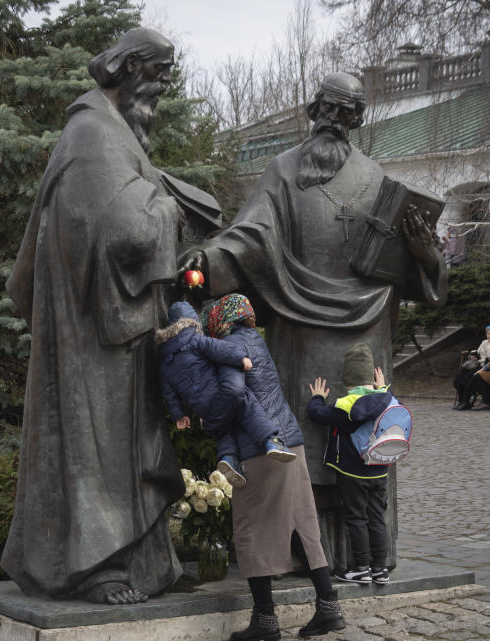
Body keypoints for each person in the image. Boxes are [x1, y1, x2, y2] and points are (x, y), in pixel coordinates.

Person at [181, 72, 447, 571]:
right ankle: (300, 552)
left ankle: (366, 554)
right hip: (298, 332)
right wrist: (206, 260)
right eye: (328, 110)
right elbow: (249, 237)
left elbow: (413, 272)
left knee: (361, 443)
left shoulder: (379, 181)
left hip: (367, 334)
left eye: (346, 114)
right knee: (298, 438)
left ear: (357, 120)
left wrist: (428, 256)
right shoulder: (282, 172)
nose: (335, 121)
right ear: (313, 111)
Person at [2, 28, 187, 605]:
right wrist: (173, 207)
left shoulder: (109, 133)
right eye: (157, 75)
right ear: (129, 68)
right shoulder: (92, 134)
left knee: (121, 452)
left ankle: (134, 561)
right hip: (95, 340)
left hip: (115, 332)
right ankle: (97, 566)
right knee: (98, 449)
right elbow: (123, 232)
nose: (161, 89)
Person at [204, 294, 345, 641]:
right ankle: (328, 604)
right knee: (303, 524)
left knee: (252, 528)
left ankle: (265, 620)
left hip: (260, 447)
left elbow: (234, 394)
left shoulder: (229, 347)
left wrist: (211, 420)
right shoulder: (257, 342)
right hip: (289, 441)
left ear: (220, 320)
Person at [156, 301, 294, 487]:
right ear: (192, 323)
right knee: (247, 406)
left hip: (201, 407)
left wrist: (179, 415)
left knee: (223, 429)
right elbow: (219, 350)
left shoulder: (166, 362)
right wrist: (240, 359)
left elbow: (168, 392)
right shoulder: (195, 340)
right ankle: (271, 441)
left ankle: (228, 459)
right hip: (218, 391)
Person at [306, 342, 394, 586]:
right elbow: (381, 400)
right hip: (380, 469)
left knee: (357, 519)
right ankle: (380, 569)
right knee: (377, 518)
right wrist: (382, 387)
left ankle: (362, 568)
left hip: (352, 473)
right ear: (372, 378)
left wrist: (316, 398)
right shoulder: (386, 399)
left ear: (347, 380)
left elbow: (316, 414)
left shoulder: (344, 406)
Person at [453, 324, 490, 409]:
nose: (488, 336)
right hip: (478, 364)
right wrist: (473, 356)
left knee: (469, 376)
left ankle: (466, 402)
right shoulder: (484, 342)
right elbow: (478, 352)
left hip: (488, 366)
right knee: (460, 376)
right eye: (487, 333)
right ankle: (461, 400)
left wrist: (489, 345)